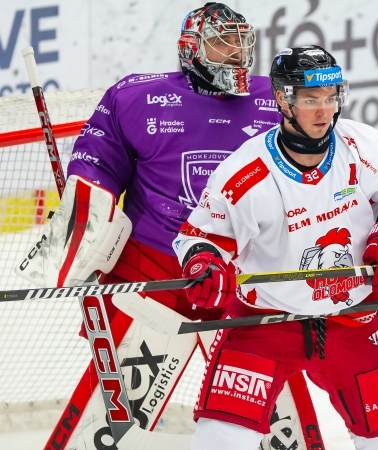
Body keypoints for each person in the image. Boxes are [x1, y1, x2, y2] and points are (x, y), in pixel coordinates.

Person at [52, 3, 322, 448]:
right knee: (113, 423)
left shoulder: (274, 100)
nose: (236, 53)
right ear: (190, 49)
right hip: (152, 277)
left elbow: (321, 177)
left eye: (241, 41)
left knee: (268, 419)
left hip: (244, 278)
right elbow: (99, 161)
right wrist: (83, 213)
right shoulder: (138, 97)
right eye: (222, 42)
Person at [173, 45, 378, 450]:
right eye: (311, 100)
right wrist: (204, 265)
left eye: (331, 98)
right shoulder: (244, 174)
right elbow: (200, 238)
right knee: (218, 442)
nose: (325, 111)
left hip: (353, 319)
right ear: (283, 99)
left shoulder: (362, 146)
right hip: (265, 325)